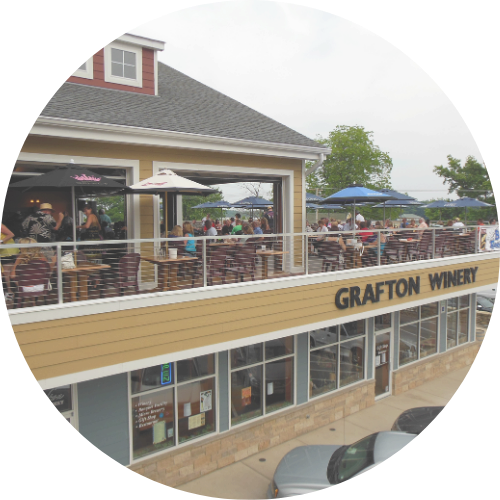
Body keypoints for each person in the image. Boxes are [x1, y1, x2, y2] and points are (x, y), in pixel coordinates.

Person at [0, 222, 20, 298]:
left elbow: (11, 234)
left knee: (7, 272)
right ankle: (20, 290)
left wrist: (1, 241)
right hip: (2, 252)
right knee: (9, 272)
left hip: (7, 252)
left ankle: (10, 292)